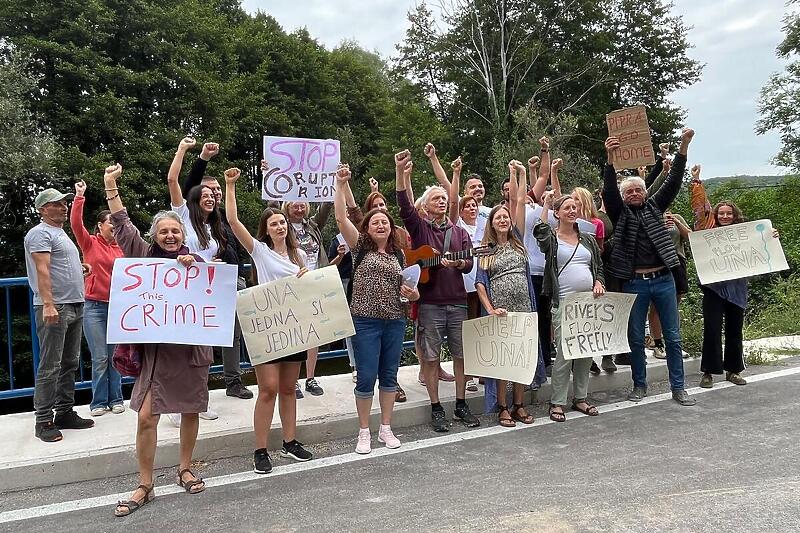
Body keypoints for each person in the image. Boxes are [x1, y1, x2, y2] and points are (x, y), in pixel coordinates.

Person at [104, 164, 209, 516]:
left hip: (191, 349)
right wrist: (110, 185)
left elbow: (214, 291)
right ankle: (145, 483)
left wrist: (194, 266)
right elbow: (121, 223)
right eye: (163, 231)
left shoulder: (195, 262)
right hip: (156, 354)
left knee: (191, 409)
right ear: (154, 235)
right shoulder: (142, 255)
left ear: (183, 235)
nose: (169, 236)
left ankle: (184, 467)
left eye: (175, 231)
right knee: (147, 416)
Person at [224, 167, 314, 475]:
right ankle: (260, 448)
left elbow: (308, 291)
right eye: (273, 223)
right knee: (268, 389)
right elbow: (234, 222)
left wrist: (306, 277)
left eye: (282, 222)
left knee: (289, 388)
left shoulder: (298, 255)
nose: (279, 226)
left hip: (294, 329)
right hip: (268, 329)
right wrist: (230, 185)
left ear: (288, 226)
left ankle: (290, 441)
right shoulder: (260, 251)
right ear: (266, 229)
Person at [602, 127, 697, 406]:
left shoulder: (656, 207)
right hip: (634, 284)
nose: (633, 193)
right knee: (635, 337)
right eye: (628, 191)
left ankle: (678, 388)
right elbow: (609, 191)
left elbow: (674, 181)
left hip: (664, 280)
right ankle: (639, 385)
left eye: (637, 190)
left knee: (673, 336)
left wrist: (683, 146)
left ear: (645, 193)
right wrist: (610, 158)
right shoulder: (619, 214)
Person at [334, 164, 419, 453]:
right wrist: (340, 183)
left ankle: (385, 428)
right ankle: (363, 431)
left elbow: (410, 289)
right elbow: (340, 217)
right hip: (366, 321)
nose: (381, 225)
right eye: (375, 222)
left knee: (390, 376)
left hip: (395, 320)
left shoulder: (399, 254)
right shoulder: (359, 248)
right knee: (367, 375)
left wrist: (413, 293)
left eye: (385, 222)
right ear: (367, 229)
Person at [395, 149, 480, 433]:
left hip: (457, 301)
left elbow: (470, 264)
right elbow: (404, 206)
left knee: (461, 355)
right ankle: (435, 406)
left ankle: (460, 403)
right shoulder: (419, 229)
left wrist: (460, 263)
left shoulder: (460, 233)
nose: (442, 201)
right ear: (426, 206)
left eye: (444, 198)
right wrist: (402, 174)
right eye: (436, 198)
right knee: (430, 358)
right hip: (430, 303)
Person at [690, 165, 779, 387]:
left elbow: (763, 249)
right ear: (716, 216)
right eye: (722, 213)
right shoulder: (707, 231)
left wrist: (772, 236)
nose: (726, 216)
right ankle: (709, 373)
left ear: (734, 215)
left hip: (737, 289)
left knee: (734, 330)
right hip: (713, 289)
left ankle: (734, 371)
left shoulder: (744, 234)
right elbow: (701, 210)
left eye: (729, 213)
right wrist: (696, 182)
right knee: (711, 330)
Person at [180, 141, 253, 400]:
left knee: (233, 334)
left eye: (217, 191)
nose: (214, 195)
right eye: (208, 191)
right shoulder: (191, 219)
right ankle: (199, 386)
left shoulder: (220, 218)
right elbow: (188, 186)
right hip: (202, 284)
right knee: (202, 334)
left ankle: (233, 381)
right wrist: (203, 158)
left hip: (231, 280)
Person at [167, 137, 231, 422]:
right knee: (182, 348)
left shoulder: (214, 226)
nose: (209, 197)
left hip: (207, 293)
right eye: (204, 194)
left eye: (212, 195)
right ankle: (177, 404)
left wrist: (214, 265)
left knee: (204, 351)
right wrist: (184, 150)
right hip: (183, 293)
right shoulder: (183, 217)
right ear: (194, 198)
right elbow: (172, 179)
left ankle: (197, 400)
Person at [476, 160, 542, 426]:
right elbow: (481, 283)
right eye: (498, 218)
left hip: (524, 307)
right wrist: (490, 308)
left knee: (522, 358)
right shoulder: (486, 251)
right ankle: (502, 406)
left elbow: (518, 201)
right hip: (500, 310)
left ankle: (519, 404)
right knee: (504, 360)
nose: (503, 219)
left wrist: (521, 174)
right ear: (491, 224)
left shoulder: (518, 242)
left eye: (505, 217)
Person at [25, 187, 94, 442]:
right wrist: (48, 304)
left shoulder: (58, 233)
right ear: (43, 209)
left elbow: (58, 265)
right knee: (50, 365)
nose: (63, 206)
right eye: (56, 203)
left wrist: (80, 268)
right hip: (57, 306)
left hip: (75, 303)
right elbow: (41, 270)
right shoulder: (39, 233)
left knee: (70, 363)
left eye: (64, 202)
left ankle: (64, 411)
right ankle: (43, 419)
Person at [535, 190, 606, 422]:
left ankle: (581, 398)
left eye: (575, 207)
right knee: (565, 354)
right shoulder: (552, 239)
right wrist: (545, 203)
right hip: (564, 302)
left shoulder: (587, 239)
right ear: (557, 214)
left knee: (585, 352)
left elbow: (599, 267)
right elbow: (539, 231)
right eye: (567, 207)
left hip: (588, 304)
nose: (572, 210)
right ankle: (557, 401)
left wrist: (599, 282)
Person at [70, 180, 125, 416]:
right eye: (109, 222)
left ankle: (117, 399)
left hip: (117, 307)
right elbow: (75, 224)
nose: (113, 225)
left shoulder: (122, 247)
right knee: (101, 356)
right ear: (100, 226)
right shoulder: (89, 243)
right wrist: (79, 196)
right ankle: (98, 402)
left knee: (115, 355)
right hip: (93, 306)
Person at [281, 190, 332, 398]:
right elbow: (271, 206)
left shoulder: (312, 225)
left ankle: (310, 377)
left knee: (313, 333)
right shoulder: (281, 225)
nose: (300, 208)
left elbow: (327, 206)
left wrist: (331, 182)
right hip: (292, 285)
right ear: (287, 206)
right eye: (295, 205)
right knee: (294, 333)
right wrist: (268, 174)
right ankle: (292, 382)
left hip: (315, 283)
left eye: (303, 205)